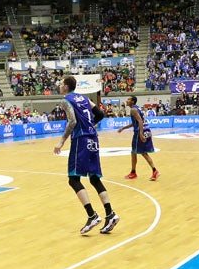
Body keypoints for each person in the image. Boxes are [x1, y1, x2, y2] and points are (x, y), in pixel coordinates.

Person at [54, 75, 118, 235]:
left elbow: (72, 122)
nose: (60, 86)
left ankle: (92, 215)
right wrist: (91, 126)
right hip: (93, 138)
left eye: (61, 84)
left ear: (66, 87)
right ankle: (110, 214)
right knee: (95, 178)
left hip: (81, 139)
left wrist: (61, 141)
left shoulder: (66, 100)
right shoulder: (84, 98)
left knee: (73, 179)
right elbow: (100, 114)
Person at [117, 95, 158, 181]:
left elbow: (140, 121)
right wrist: (123, 128)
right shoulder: (137, 108)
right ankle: (137, 171)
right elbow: (135, 123)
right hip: (146, 130)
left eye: (128, 99)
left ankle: (139, 172)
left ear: (132, 101)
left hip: (140, 131)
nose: (127, 100)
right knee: (139, 152)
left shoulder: (133, 110)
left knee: (138, 152)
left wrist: (141, 134)